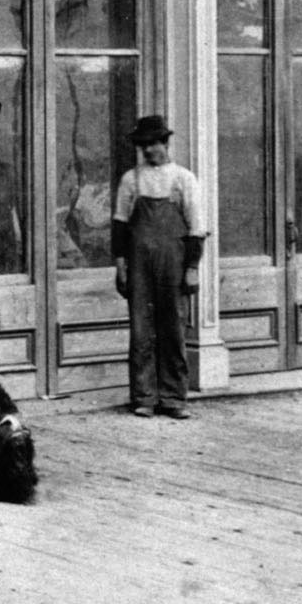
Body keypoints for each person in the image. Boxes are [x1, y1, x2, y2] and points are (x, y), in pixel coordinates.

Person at [110, 114, 205, 420]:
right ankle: (144, 396)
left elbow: (196, 227)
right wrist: (121, 264)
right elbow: (120, 226)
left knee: (173, 328)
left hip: (173, 263)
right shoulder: (131, 180)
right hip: (138, 264)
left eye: (154, 144)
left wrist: (192, 266)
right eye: (143, 145)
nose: (149, 151)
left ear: (165, 143)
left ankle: (174, 397)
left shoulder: (183, 179)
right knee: (141, 330)